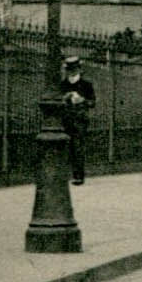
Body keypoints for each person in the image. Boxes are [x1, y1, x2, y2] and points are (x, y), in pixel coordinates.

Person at [59, 55, 95, 185]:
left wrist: (83, 100)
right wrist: (64, 98)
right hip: (66, 119)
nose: (72, 72)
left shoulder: (86, 85)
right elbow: (58, 101)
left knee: (78, 147)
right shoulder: (63, 85)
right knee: (65, 148)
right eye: (70, 69)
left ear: (79, 69)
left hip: (80, 120)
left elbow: (92, 102)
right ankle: (64, 175)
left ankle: (78, 176)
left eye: (74, 69)